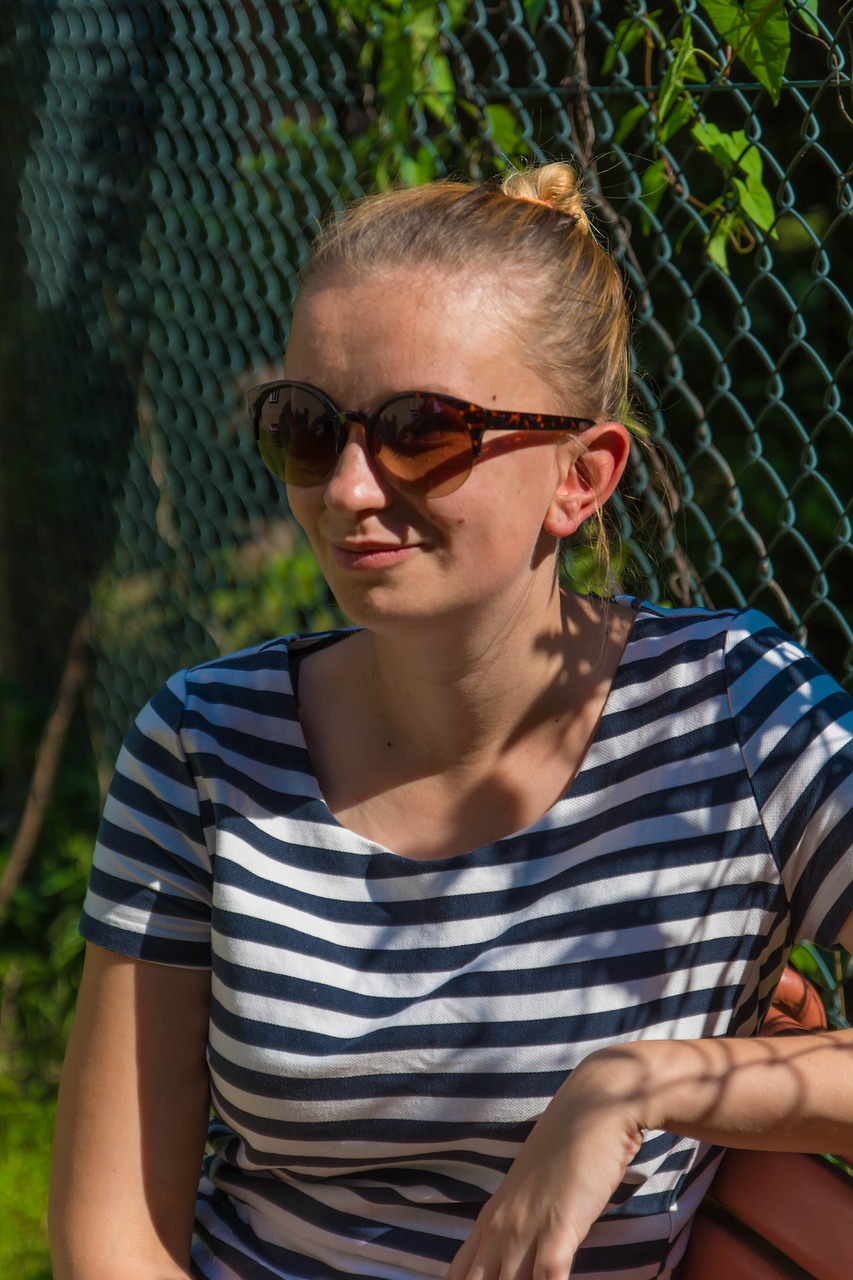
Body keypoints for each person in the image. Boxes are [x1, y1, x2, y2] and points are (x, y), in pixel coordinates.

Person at [49, 163, 853, 1280]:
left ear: (581, 475)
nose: (347, 488)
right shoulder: (204, 744)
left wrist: (637, 1086)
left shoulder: (738, 715)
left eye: (421, 429)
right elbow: (108, 1237)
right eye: (308, 427)